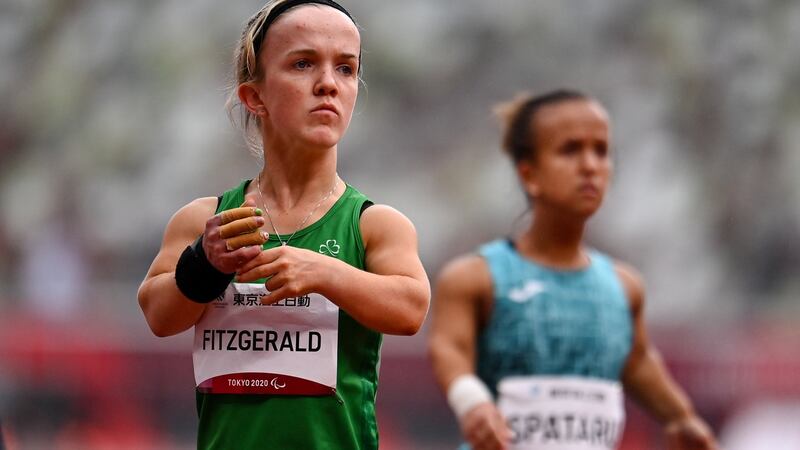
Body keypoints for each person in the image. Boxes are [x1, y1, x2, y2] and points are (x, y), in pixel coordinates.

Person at [137, 1, 430, 448]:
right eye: (303, 63)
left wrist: (323, 272)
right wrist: (205, 264)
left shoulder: (375, 225)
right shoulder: (205, 219)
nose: (328, 84)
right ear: (255, 96)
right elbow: (158, 315)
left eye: (346, 69)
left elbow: (412, 308)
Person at [427, 89, 717, 450]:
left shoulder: (624, 287)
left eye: (601, 150)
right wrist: (473, 404)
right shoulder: (476, 277)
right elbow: (448, 348)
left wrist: (681, 418)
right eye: (570, 150)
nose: (591, 165)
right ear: (529, 174)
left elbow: (638, 360)